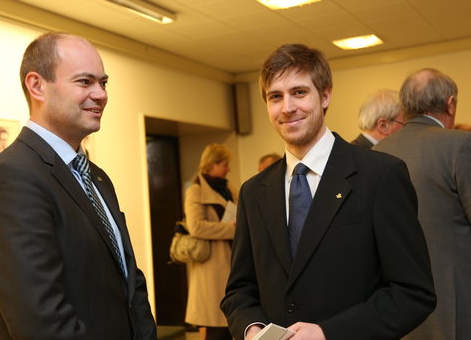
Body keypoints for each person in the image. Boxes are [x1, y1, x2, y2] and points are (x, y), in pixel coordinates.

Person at [220, 44, 436, 340]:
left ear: (325, 95)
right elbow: (239, 289)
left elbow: (413, 293)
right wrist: (252, 328)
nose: (287, 108)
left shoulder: (380, 176)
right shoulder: (253, 192)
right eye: (275, 97)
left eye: (299, 92)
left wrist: (327, 333)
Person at [0, 32, 157, 340]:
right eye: (85, 82)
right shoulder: (12, 177)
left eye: (103, 83)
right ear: (37, 85)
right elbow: (39, 320)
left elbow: (130, 283)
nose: (101, 94)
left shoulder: (96, 177)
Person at [374, 68, 471, 340]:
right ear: (450, 104)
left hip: (395, 309)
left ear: (404, 107)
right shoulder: (460, 145)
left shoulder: (375, 154)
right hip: (456, 305)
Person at [184, 143, 238, 340]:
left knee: (231, 324)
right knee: (217, 328)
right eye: (225, 164)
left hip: (231, 262)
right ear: (212, 164)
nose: (228, 169)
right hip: (211, 269)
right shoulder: (195, 190)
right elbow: (196, 227)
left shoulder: (229, 188)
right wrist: (232, 229)